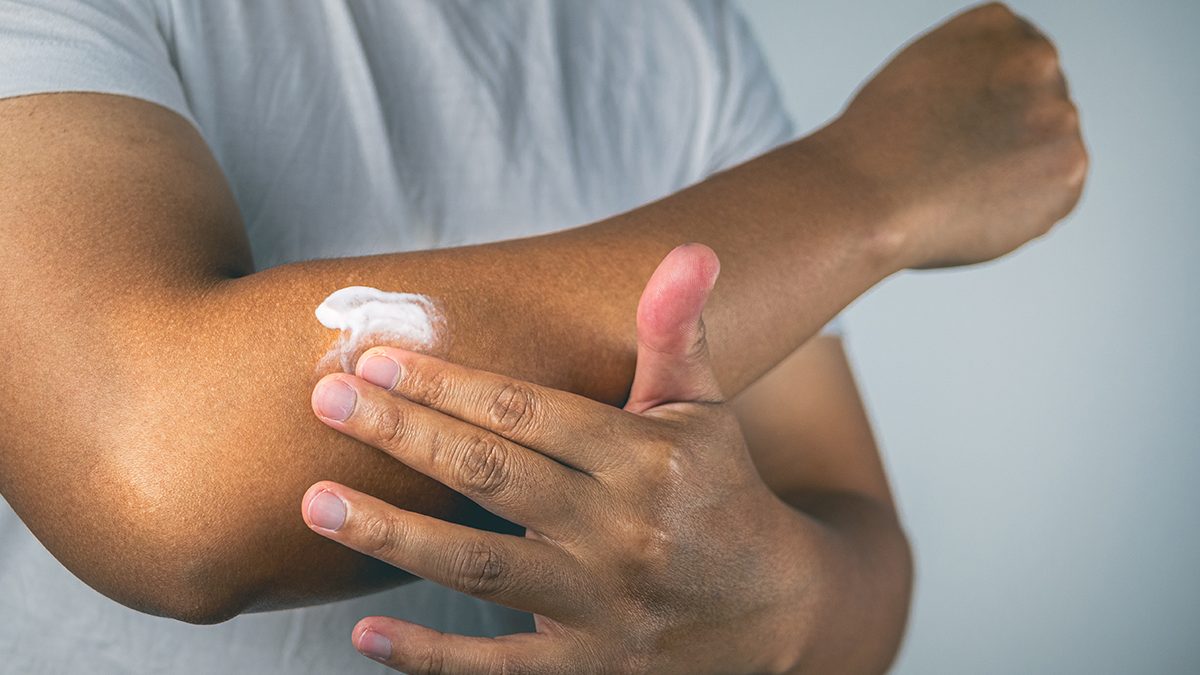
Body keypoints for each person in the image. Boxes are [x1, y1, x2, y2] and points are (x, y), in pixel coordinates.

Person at [0, 1, 1085, 672]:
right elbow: (159, 481)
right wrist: (868, 187)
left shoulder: (684, 36)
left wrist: (779, 613)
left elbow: (853, 539)